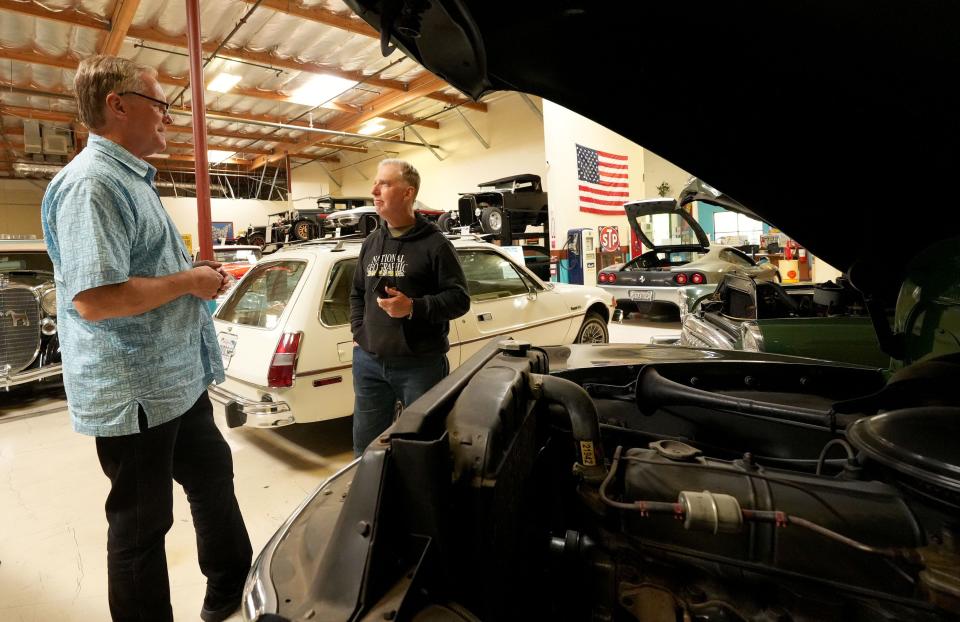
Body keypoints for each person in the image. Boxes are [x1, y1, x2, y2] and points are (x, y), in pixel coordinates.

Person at [40, 55, 252, 622]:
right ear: (117, 104)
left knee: (211, 475)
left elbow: (139, 269)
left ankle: (231, 589)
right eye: (160, 105)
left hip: (176, 379)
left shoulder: (128, 177)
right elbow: (96, 298)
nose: (168, 118)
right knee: (140, 523)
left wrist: (191, 273)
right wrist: (189, 281)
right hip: (136, 392)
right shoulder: (92, 183)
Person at [349, 159, 471, 455]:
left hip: (420, 365)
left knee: (423, 445)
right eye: (376, 183)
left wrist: (413, 307)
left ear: (407, 193)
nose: (374, 190)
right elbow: (356, 292)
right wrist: (359, 333)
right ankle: (371, 499)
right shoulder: (371, 242)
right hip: (369, 363)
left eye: (385, 184)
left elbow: (459, 299)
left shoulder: (436, 245)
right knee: (366, 447)